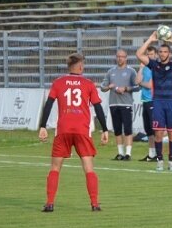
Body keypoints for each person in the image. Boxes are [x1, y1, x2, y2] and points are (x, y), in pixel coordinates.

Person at [38, 53, 109, 212]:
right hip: (82, 130)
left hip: (63, 130)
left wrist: (43, 126)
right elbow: (97, 107)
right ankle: (95, 204)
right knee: (88, 167)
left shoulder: (58, 83)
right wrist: (104, 129)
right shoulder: (88, 84)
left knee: (55, 168)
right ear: (81, 66)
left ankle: (50, 203)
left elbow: (48, 104)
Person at [136, 30, 172, 171]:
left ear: (169, 54)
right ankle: (159, 161)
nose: (162, 54)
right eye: (161, 52)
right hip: (157, 101)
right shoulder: (153, 65)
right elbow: (139, 54)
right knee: (158, 133)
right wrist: (150, 39)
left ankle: (171, 162)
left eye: (165, 52)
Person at [100, 49, 139, 161]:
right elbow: (103, 87)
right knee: (117, 130)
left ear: (126, 58)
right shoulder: (110, 71)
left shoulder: (131, 71)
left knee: (127, 129)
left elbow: (137, 87)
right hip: (113, 103)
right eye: (118, 56)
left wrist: (126, 88)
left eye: (122, 56)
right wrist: (109, 87)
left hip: (126, 103)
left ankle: (128, 154)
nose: (120, 58)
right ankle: (120, 153)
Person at [136, 45, 158, 162]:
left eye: (151, 54)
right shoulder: (144, 68)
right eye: (147, 55)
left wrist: (141, 83)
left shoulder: (155, 68)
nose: (149, 57)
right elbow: (137, 81)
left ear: (155, 55)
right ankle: (151, 154)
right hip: (145, 101)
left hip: (153, 100)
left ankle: (158, 154)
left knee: (154, 129)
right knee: (148, 130)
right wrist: (140, 68)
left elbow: (150, 85)